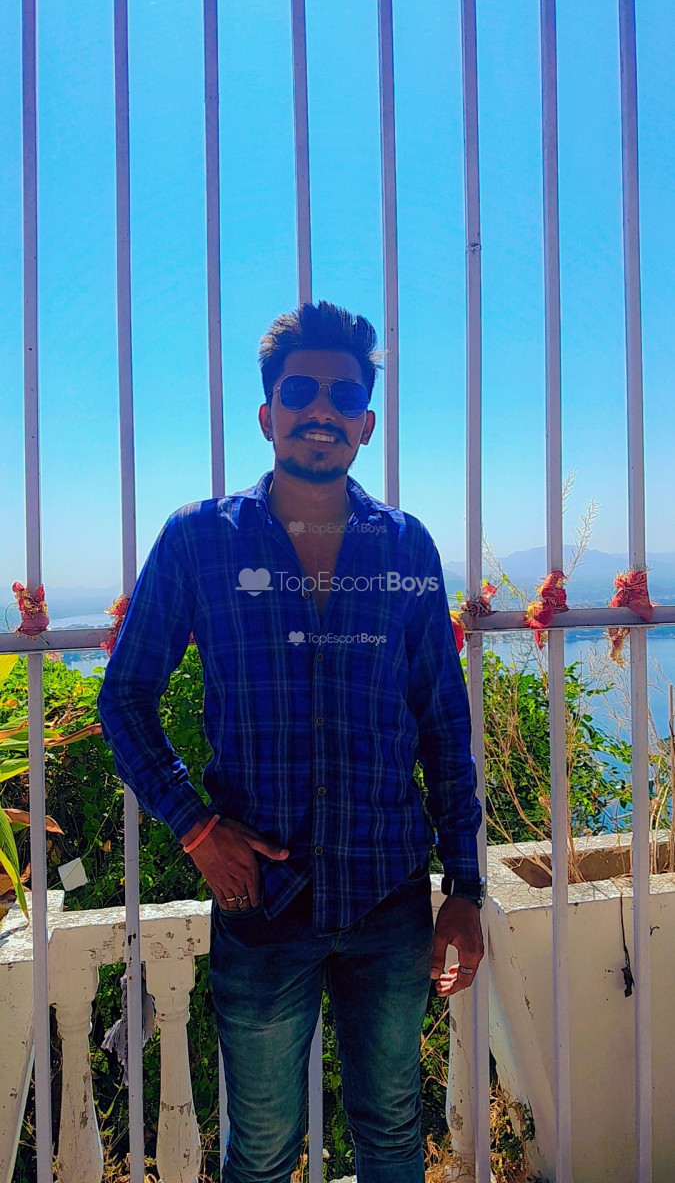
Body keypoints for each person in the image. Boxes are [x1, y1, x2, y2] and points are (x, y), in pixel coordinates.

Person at [98, 299, 484, 1183]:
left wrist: (463, 888)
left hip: (388, 895)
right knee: (263, 1149)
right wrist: (196, 827)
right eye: (300, 390)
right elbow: (125, 696)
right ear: (267, 413)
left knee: (393, 1131)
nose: (321, 409)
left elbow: (442, 724)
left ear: (365, 423)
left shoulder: (406, 547)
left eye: (343, 394)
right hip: (261, 901)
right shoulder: (198, 540)